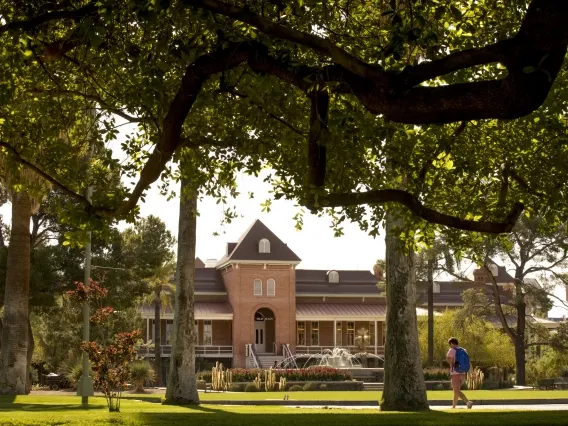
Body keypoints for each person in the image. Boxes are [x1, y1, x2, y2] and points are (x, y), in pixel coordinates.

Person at [446, 337, 473, 409]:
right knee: (456, 390)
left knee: (456, 390)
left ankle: (468, 402)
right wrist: (470, 371)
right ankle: (454, 406)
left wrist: (451, 364)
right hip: (463, 373)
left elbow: (449, 360)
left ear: (451, 343)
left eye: (450, 344)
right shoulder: (464, 350)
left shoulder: (452, 350)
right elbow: (468, 361)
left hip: (455, 373)